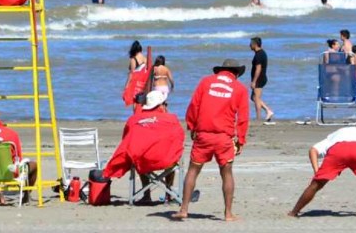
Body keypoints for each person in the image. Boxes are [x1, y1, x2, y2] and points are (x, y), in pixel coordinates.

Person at [172, 60, 250, 221]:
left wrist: (192, 127)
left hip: (203, 134)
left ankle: (184, 209)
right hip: (224, 137)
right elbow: (243, 118)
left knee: (193, 170)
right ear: (236, 73)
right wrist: (241, 140)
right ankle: (228, 213)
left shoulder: (206, 81)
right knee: (227, 173)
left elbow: (194, 105)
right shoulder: (240, 88)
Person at [102, 90, 184, 203]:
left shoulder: (134, 119)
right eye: (165, 104)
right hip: (166, 160)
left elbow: (126, 140)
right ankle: (168, 194)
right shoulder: (171, 119)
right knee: (171, 155)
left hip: (143, 161)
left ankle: (146, 195)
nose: (166, 106)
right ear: (160, 105)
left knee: (139, 154)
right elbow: (179, 138)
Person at [249, 37, 274, 123]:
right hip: (260, 78)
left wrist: (254, 81)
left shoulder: (259, 55)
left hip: (259, 79)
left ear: (255, 44)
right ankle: (268, 110)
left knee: (256, 98)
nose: (249, 45)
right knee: (253, 97)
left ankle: (258, 119)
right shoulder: (260, 53)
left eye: (251, 44)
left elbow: (258, 69)